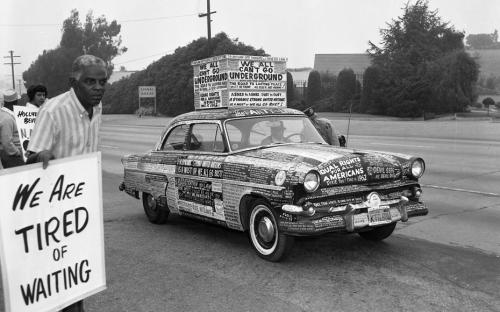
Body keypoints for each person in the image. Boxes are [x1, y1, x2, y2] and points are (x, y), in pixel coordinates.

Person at [26, 54, 108, 312]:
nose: (97, 88)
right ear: (73, 81)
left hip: (82, 203)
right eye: (90, 82)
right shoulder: (52, 111)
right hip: (54, 210)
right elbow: (31, 159)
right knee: (58, 278)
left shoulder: (98, 107)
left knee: (78, 275)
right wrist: (41, 156)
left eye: (102, 82)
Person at [0, 90, 25, 168]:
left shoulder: (4, 115)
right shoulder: (7, 118)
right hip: (11, 155)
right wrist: (17, 152)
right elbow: (7, 142)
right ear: (16, 101)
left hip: (8, 154)